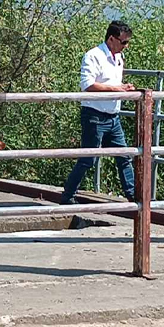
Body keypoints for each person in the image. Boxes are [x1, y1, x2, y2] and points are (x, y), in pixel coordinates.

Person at [60, 20, 137, 204]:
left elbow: (109, 84)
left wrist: (122, 88)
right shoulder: (93, 55)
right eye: (123, 42)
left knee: (124, 156)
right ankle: (68, 195)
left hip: (112, 116)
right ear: (111, 39)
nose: (125, 46)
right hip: (94, 115)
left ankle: (134, 196)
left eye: (127, 43)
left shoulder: (118, 57)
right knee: (88, 159)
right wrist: (117, 90)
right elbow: (87, 85)